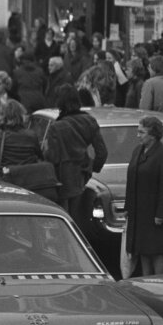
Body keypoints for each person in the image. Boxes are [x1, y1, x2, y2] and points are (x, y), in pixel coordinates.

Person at [43, 84, 108, 225]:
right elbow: (102, 153)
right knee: (78, 220)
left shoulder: (56, 127)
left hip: (60, 179)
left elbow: (51, 157)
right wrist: (91, 168)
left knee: (63, 220)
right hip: (81, 176)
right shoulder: (89, 120)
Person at [124, 116, 163, 276]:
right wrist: (128, 207)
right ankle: (146, 282)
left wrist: (161, 214)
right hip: (140, 213)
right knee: (143, 251)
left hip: (155, 215)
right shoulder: (137, 151)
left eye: (141, 132)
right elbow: (131, 179)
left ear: (153, 135)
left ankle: (159, 285)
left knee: (158, 252)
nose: (138, 135)